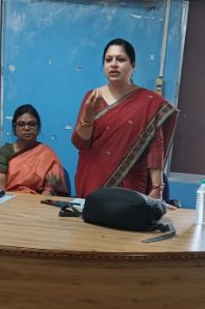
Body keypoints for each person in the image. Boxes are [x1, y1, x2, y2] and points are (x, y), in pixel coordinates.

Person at [71, 38, 178, 199]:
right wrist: (88, 115)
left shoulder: (149, 102)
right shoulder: (92, 97)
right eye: (108, 60)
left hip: (130, 181)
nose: (113, 64)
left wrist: (157, 188)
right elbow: (80, 143)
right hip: (93, 179)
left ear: (133, 66)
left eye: (120, 59)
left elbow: (155, 147)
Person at [0, 104, 68, 196]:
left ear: (38, 127)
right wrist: (4, 202)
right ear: (14, 128)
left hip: (37, 201)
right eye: (21, 124)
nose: (26, 128)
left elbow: (50, 189)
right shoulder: (6, 151)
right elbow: (0, 183)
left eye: (32, 124)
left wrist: (37, 203)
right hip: (9, 199)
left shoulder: (47, 153)